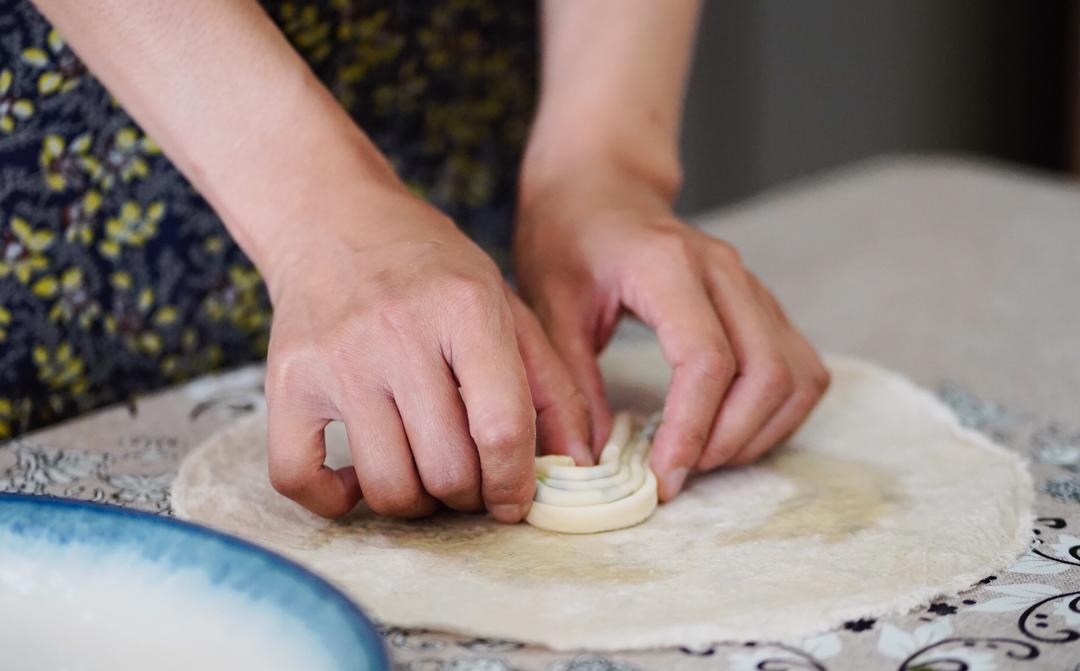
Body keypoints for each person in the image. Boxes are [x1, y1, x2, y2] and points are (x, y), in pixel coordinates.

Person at [2, 0, 829, 524]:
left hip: (456, 102)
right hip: (89, 152)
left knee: (465, 402)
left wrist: (602, 160)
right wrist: (314, 209)